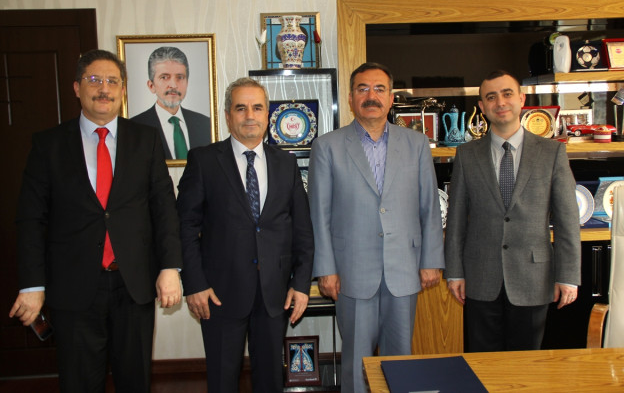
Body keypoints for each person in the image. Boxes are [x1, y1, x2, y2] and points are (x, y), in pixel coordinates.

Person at [8, 49, 183, 392]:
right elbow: (30, 220)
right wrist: (32, 286)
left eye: (112, 81)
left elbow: (164, 209)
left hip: (133, 286)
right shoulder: (48, 145)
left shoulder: (145, 140)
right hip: (72, 288)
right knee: (79, 383)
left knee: (135, 382)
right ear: (76, 87)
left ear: (123, 90)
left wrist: (170, 268)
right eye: (94, 80)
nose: (104, 88)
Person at [309, 62, 444, 393]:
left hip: (405, 269)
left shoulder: (416, 144)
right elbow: (319, 214)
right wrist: (326, 269)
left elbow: (429, 207)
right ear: (351, 98)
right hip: (351, 272)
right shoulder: (327, 146)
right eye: (363, 89)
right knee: (356, 362)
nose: (371, 96)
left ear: (391, 98)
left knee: (401, 361)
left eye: (379, 89)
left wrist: (431, 260)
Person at [177, 77, 314, 392]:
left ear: (267, 115)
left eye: (257, 108)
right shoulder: (204, 160)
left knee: (270, 380)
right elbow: (185, 226)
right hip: (218, 294)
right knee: (222, 380)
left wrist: (301, 283)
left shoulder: (286, 163)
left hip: (274, 293)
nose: (250, 115)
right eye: (241, 108)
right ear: (228, 116)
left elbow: (302, 229)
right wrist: (194, 284)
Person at [444, 69, 581, 352]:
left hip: (534, 277)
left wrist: (568, 276)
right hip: (481, 277)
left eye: (507, 94)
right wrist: (455, 272)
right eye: (491, 97)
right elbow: (456, 220)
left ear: (521, 99)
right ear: (482, 107)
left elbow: (567, 220)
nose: (500, 102)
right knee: (483, 363)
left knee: (526, 365)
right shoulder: (467, 155)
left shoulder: (552, 152)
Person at [131, 46, 211, 159]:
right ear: (151, 85)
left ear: (187, 82)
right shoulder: (135, 128)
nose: (173, 85)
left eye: (180, 77)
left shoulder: (206, 124)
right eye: (164, 77)